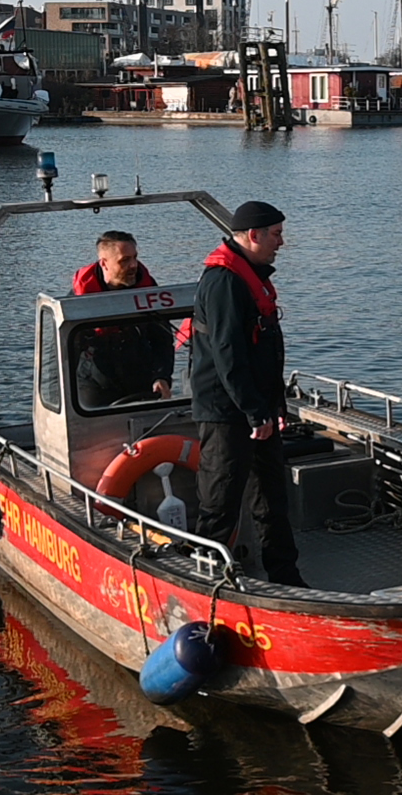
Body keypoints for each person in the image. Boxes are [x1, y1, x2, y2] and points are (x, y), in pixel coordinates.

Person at [186, 201, 305, 587]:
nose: (281, 243)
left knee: (272, 499)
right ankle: (205, 581)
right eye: (276, 234)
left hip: (258, 407)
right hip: (226, 412)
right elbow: (228, 354)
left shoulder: (251, 275)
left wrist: (275, 406)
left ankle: (285, 577)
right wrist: (255, 412)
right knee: (220, 501)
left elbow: (264, 350)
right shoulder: (223, 281)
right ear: (253, 236)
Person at [70, 230, 176, 409]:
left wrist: (162, 376)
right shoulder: (78, 300)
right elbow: (65, 351)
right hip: (95, 381)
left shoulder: (148, 290)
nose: (134, 265)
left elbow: (163, 340)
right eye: (124, 260)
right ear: (104, 264)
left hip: (141, 375)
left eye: (134, 257)